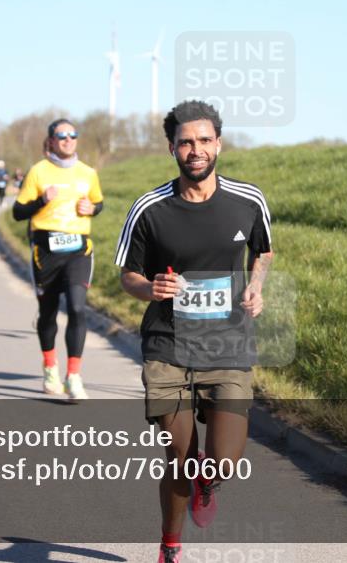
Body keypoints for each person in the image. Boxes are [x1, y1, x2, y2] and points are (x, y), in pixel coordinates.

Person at [115, 100, 273, 563]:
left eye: (205, 140)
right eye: (186, 142)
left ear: (218, 144)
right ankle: (169, 547)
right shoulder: (149, 209)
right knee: (180, 458)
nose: (196, 149)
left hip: (229, 348)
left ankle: (210, 482)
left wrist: (257, 286)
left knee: (222, 461)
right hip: (168, 349)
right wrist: (151, 288)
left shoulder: (248, 201)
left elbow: (263, 252)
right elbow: (127, 275)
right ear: (172, 148)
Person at [13, 119, 104, 400]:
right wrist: (41, 200)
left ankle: (74, 376)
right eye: (61, 136)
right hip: (46, 251)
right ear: (51, 141)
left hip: (79, 250)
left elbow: (98, 203)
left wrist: (93, 207)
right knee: (48, 312)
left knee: (77, 308)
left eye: (72, 135)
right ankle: (50, 366)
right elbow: (18, 212)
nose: (67, 139)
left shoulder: (88, 173)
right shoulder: (38, 172)